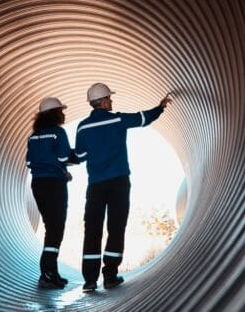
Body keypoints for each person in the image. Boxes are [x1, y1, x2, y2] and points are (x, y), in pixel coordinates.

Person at [72, 83, 172, 291]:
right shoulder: (117, 119)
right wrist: (160, 107)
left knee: (92, 230)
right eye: (109, 97)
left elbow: (80, 156)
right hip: (118, 182)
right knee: (116, 228)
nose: (112, 100)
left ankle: (90, 280)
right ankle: (110, 276)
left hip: (96, 185)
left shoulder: (83, 127)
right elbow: (142, 118)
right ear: (103, 101)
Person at [25, 97, 76, 289]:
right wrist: (64, 168)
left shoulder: (33, 136)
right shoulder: (58, 133)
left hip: (38, 184)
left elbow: (30, 162)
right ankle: (47, 273)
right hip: (55, 185)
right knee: (55, 230)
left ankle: (51, 272)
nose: (63, 113)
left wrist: (60, 169)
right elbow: (63, 156)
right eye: (61, 110)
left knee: (51, 228)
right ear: (54, 113)